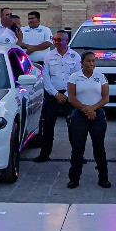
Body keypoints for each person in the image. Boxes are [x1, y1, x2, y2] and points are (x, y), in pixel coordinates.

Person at [66, 50, 111, 188]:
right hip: (79, 114)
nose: (91, 63)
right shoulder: (74, 77)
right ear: (82, 62)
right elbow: (72, 98)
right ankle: (74, 178)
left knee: (99, 147)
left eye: (93, 61)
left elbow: (105, 98)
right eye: (88, 61)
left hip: (97, 114)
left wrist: (93, 108)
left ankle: (103, 178)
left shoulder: (101, 77)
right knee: (78, 148)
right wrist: (86, 109)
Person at [35, 30, 81, 162]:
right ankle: (44, 154)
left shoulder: (75, 56)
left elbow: (77, 77)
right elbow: (46, 77)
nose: (56, 42)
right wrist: (56, 94)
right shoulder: (49, 56)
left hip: (70, 95)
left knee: (73, 126)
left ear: (67, 41)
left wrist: (66, 94)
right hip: (52, 95)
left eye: (60, 39)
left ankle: (77, 155)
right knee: (47, 126)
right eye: (55, 39)